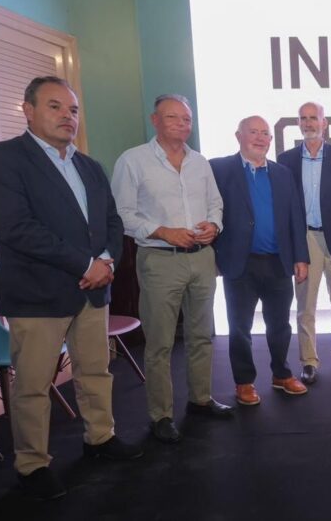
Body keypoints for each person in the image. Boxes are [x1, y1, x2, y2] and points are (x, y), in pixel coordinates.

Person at [0, 76, 141, 500]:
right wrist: (86, 264)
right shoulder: (0, 160)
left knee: (95, 372)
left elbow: (111, 221)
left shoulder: (89, 166)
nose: (67, 116)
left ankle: (100, 438)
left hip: (93, 291)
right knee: (33, 386)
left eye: (72, 109)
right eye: (54, 106)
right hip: (37, 294)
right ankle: (32, 465)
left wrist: (106, 261)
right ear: (28, 110)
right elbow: (17, 228)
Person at [112, 94, 233, 445]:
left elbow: (215, 204)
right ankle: (160, 415)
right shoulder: (133, 160)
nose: (182, 124)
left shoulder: (200, 162)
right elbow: (122, 213)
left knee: (201, 335)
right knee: (160, 343)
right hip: (159, 259)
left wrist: (214, 225)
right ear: (155, 120)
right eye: (172, 118)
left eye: (186, 119)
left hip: (202, 258)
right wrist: (163, 231)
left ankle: (200, 399)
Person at [210, 116, 310, 405]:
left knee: (280, 325)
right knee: (239, 327)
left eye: (265, 133)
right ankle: (244, 381)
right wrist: (213, 254)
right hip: (240, 264)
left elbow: (295, 217)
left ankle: (281, 374)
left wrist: (301, 257)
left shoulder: (282, 173)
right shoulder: (218, 169)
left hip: (278, 262)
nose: (260, 138)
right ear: (238, 136)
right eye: (253, 132)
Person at [278, 101, 331, 383]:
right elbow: (285, 208)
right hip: (305, 240)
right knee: (306, 306)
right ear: (298, 123)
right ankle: (309, 362)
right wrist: (294, 249)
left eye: (314, 118)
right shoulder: (286, 159)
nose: (309, 123)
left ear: (324, 123)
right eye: (303, 118)